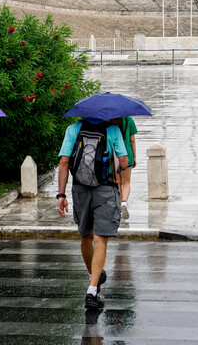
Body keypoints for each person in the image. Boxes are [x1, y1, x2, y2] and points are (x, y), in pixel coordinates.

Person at [57, 118, 128, 309]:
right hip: (106, 189)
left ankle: (93, 276)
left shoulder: (74, 128)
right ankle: (92, 289)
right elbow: (123, 163)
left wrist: (61, 194)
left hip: (80, 189)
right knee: (100, 239)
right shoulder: (113, 129)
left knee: (86, 235)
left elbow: (64, 162)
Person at [110, 116, 138, 220]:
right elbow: (132, 139)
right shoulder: (129, 120)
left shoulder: (109, 120)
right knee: (126, 182)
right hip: (127, 155)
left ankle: (119, 206)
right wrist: (134, 157)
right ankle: (124, 202)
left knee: (118, 182)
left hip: (114, 155)